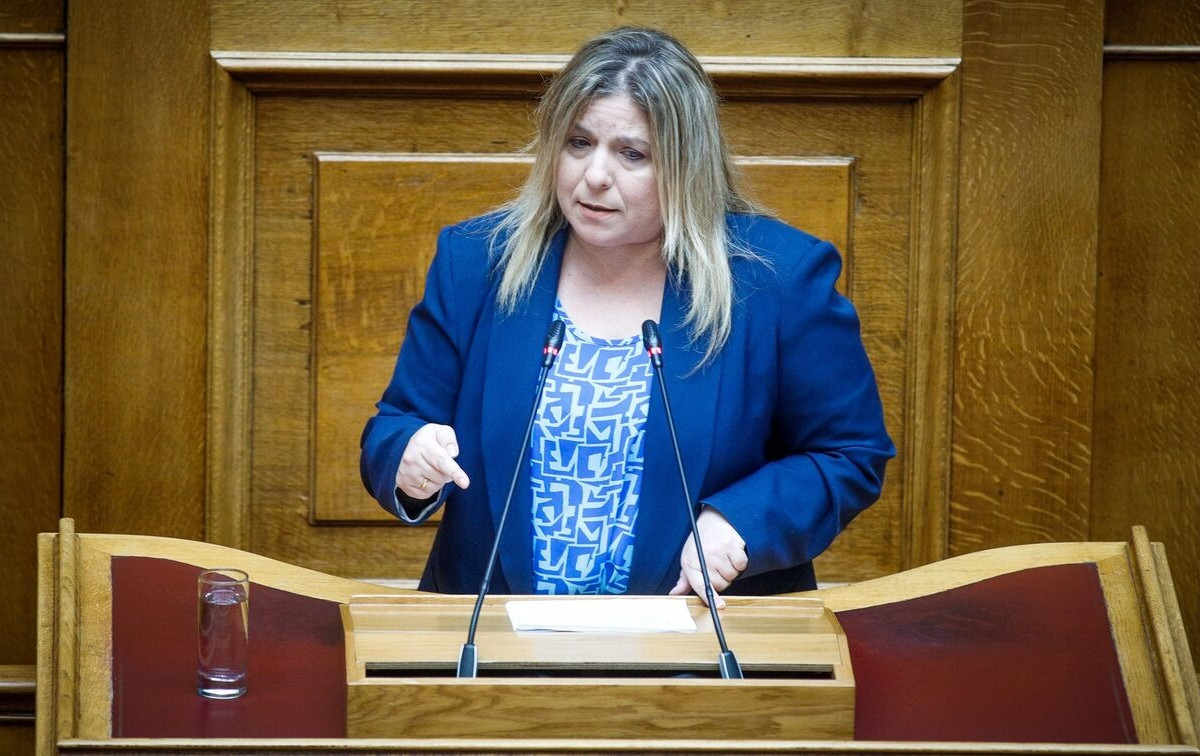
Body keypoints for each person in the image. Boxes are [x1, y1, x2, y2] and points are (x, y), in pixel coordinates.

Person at [360, 26, 894, 606]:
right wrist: (407, 456)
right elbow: (397, 425)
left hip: (695, 638)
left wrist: (738, 521)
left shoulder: (778, 280)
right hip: (494, 635)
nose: (595, 175)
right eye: (578, 143)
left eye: (632, 154)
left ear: (687, 166)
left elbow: (849, 455)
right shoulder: (476, 262)